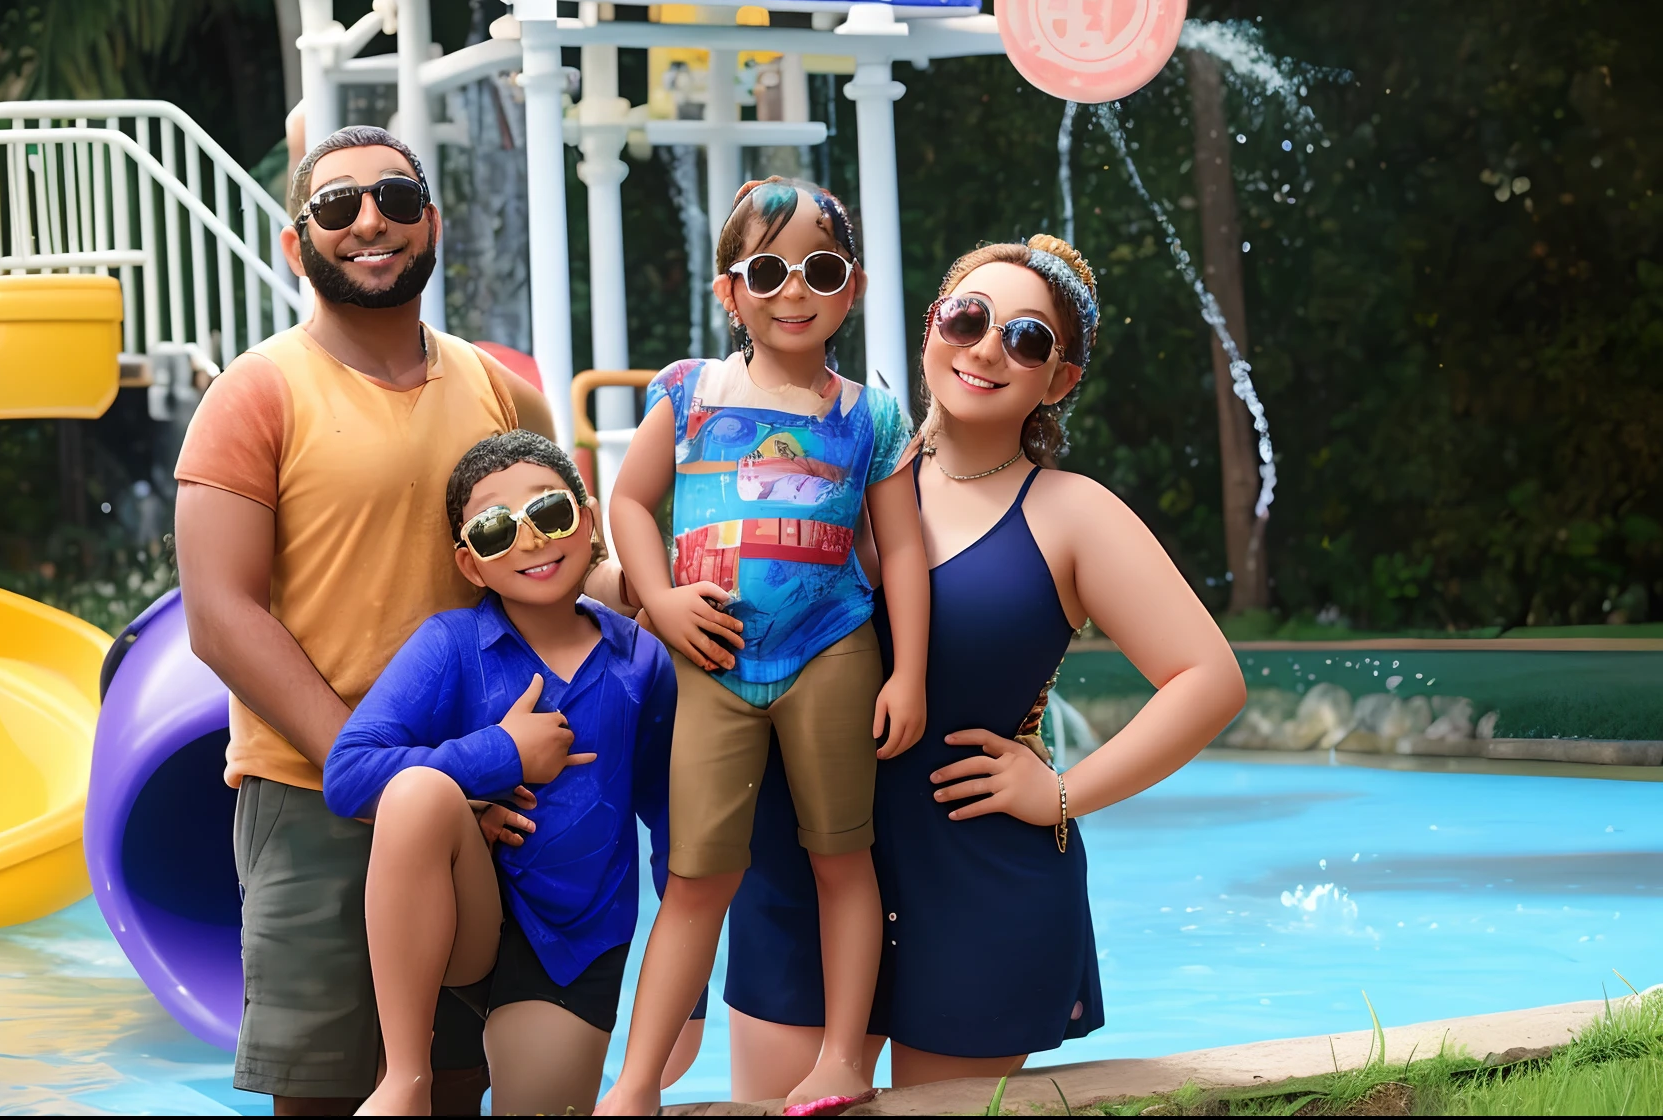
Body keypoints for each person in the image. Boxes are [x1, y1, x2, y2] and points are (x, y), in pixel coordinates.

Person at [723, 235, 1248, 1100]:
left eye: (1028, 338)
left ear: (1061, 378)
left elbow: (1209, 679)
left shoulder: (1073, 515)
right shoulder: (835, 465)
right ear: (932, 324)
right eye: (967, 316)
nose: (987, 347)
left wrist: (1064, 792)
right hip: (800, 866)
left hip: (973, 884)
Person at [173, 125, 587, 1115]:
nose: (370, 222)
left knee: (452, 1082)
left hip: (493, 799)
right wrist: (395, 775)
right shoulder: (256, 393)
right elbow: (221, 619)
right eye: (337, 205)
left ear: (429, 223)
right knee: (325, 1092)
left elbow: (571, 572)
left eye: (397, 201)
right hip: (315, 798)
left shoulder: (498, 389)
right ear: (296, 241)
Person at [597, 178, 930, 1117]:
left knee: (843, 858)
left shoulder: (871, 416)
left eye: (819, 269)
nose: (794, 290)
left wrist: (907, 672)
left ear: (851, 288)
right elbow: (626, 500)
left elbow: (900, 546)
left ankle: (839, 1061)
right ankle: (634, 1084)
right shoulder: (688, 393)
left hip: (831, 650)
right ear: (729, 291)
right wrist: (658, 600)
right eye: (769, 270)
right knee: (698, 876)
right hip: (711, 661)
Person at [322, 431, 676, 1116]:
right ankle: (405, 1077)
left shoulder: (641, 662)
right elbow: (350, 771)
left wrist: (681, 1007)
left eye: (548, 513)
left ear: (589, 519)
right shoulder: (451, 645)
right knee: (420, 791)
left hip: (573, 946)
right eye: (494, 531)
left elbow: (675, 834)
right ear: (471, 564)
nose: (531, 540)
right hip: (461, 919)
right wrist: (501, 755)